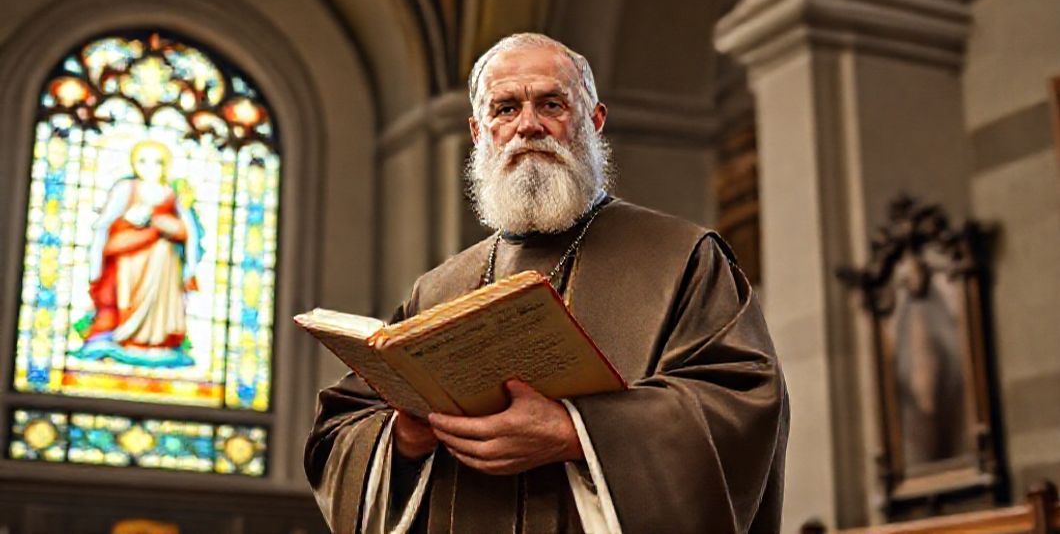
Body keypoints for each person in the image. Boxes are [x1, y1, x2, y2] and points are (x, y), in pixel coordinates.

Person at [306, 33, 789, 534]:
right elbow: (342, 429)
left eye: (552, 104)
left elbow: (742, 402)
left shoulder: (682, 257)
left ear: (594, 121)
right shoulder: (437, 289)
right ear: (478, 131)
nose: (528, 125)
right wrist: (404, 437)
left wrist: (576, 431)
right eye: (505, 108)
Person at [73, 139, 200, 367]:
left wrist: (160, 224)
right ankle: (123, 334)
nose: (150, 167)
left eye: (157, 162)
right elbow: (106, 224)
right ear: (134, 164)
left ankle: (157, 341)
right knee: (126, 297)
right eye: (143, 161)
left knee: (162, 253)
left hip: (164, 266)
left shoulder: (171, 193)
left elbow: (186, 231)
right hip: (129, 261)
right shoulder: (126, 189)